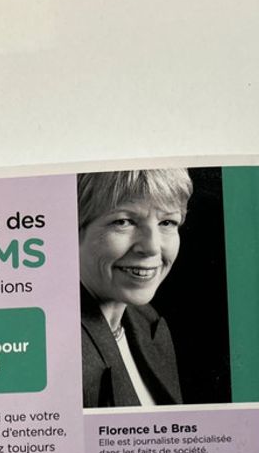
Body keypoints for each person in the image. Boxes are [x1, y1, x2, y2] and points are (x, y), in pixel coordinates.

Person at [78, 168, 192, 408]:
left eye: (167, 222)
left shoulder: (147, 321)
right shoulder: (64, 358)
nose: (152, 247)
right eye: (123, 222)